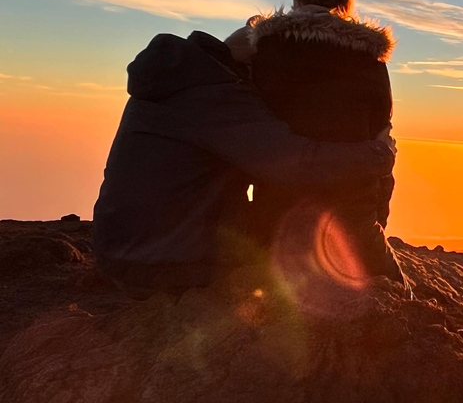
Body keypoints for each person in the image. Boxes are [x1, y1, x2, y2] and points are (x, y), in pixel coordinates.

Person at [92, 28, 396, 296]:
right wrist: (379, 153)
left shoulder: (179, 79)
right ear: (249, 66)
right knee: (296, 255)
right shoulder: (221, 96)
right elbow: (295, 162)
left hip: (121, 247)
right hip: (162, 262)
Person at [241, 0, 404, 287]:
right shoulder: (369, 58)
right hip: (347, 215)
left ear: (298, 0)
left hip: (276, 213)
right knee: (384, 159)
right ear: (345, 5)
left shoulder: (263, 51)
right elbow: (380, 130)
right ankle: (374, 247)